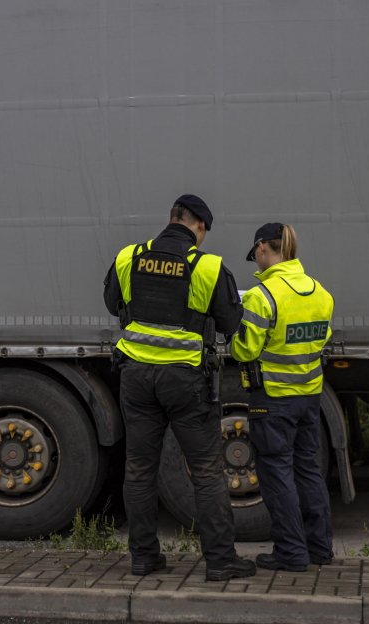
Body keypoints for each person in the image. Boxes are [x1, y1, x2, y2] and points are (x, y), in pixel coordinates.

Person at [103, 194, 256, 581]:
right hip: (186, 380)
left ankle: (143, 557)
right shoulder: (207, 266)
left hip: (136, 377)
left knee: (139, 469)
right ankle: (220, 561)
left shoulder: (128, 257)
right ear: (199, 227)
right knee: (205, 471)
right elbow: (229, 323)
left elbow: (112, 303)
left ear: (172, 219)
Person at [230, 222, 335, 572]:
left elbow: (245, 350)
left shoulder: (263, 296)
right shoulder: (320, 292)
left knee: (277, 476)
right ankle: (319, 548)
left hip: (272, 399)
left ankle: (291, 553)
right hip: (309, 396)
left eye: (256, 255)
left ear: (263, 249)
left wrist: (232, 332)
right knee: (308, 472)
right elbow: (321, 339)